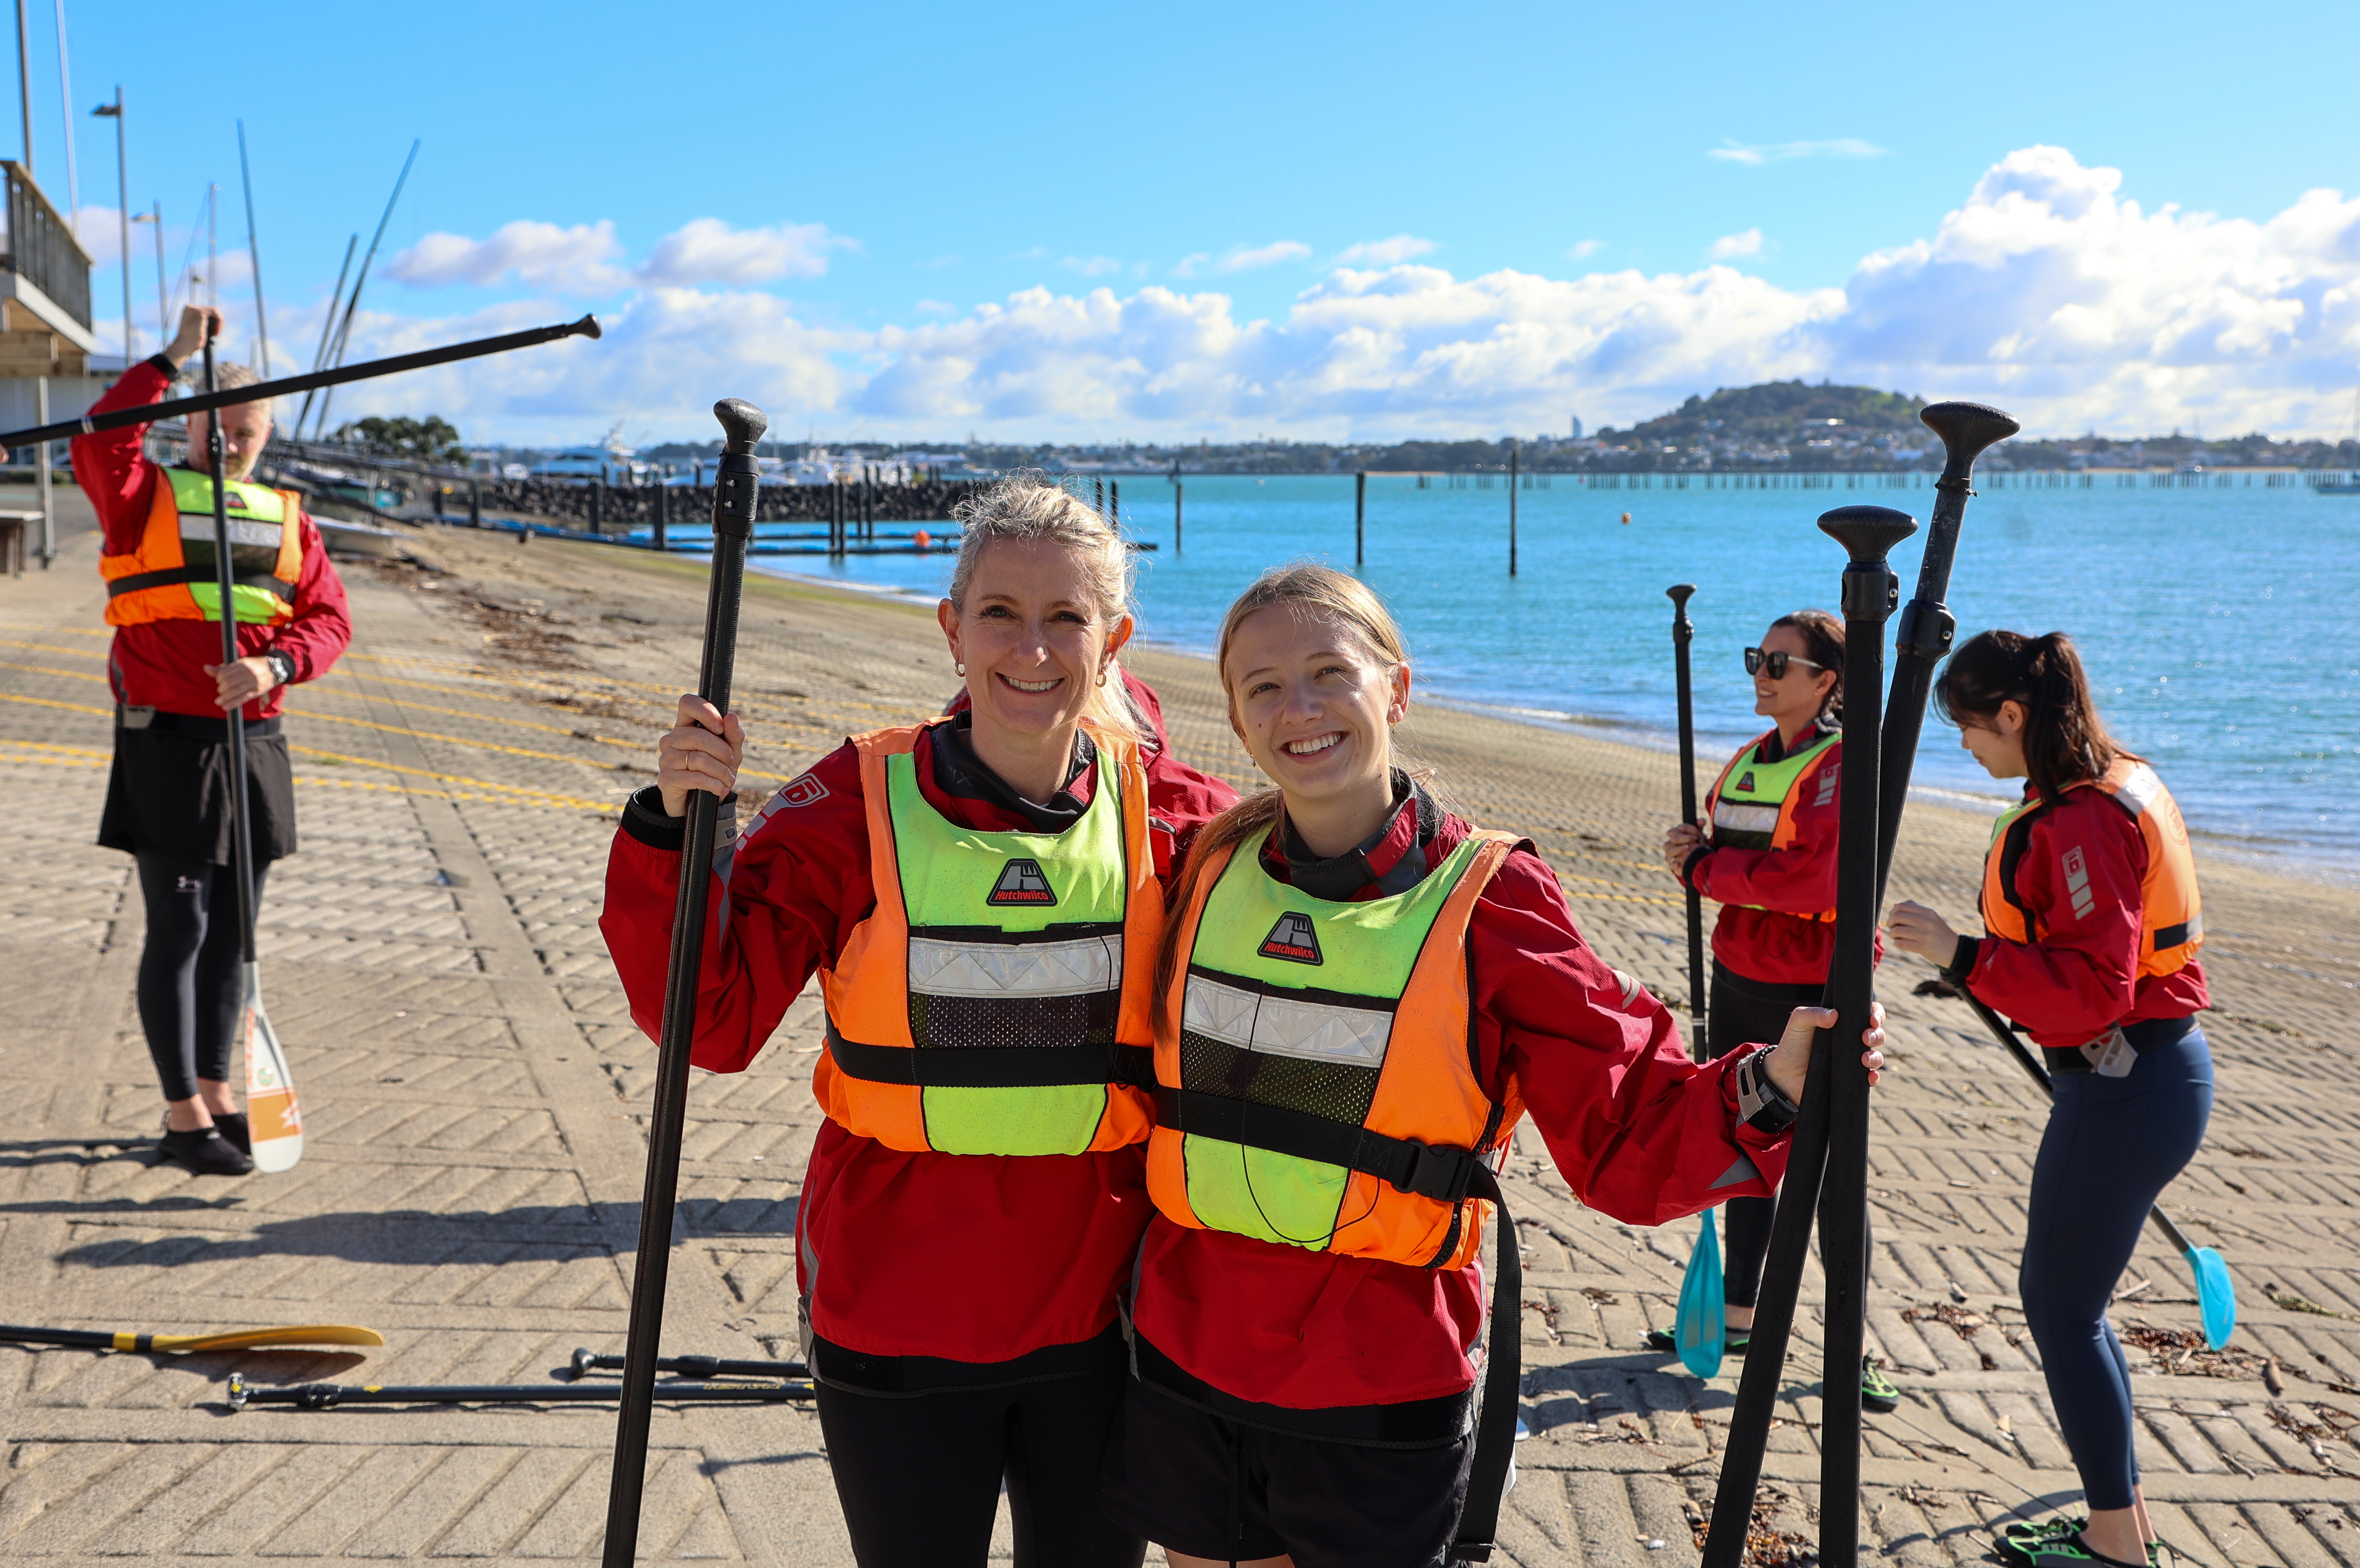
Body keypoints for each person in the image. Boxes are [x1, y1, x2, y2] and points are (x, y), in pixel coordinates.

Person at [1097, 565, 1888, 1568]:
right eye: (1260, 685)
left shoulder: (1491, 896)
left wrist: (1770, 1083)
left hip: (1372, 1373)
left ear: (1396, 688)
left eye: (1326, 672)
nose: (1295, 708)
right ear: (1235, 717)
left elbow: (1624, 1128)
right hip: (1188, 1350)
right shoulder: (1206, 860)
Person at [601, 477, 1234, 1568]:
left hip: (1101, 1312)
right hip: (891, 1305)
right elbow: (709, 1017)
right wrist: (675, 824)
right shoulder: (854, 797)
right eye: (998, 612)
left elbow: (1346, 905)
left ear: (1114, 637)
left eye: (1066, 617)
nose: (1030, 647)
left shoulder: (1177, 814)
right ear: (950, 626)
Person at [1888, 630, 2210, 1568]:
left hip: (2130, 1087)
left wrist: (1962, 954)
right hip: (2143, 1079)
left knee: (2061, 1307)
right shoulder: (2103, 784)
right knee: (2074, 1304)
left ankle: (2114, 1542)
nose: (1967, 747)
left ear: (2016, 716)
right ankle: (2125, 1523)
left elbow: (2096, 988)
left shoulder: (2081, 820)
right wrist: (1976, 974)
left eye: (1971, 728)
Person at [71, 303, 352, 1177]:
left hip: (256, 740)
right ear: (189, 426)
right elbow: (99, 435)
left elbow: (331, 619)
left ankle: (220, 1089)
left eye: (246, 431)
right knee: (183, 925)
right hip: (172, 744)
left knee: (237, 929)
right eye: (216, 429)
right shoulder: (139, 495)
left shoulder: (286, 517)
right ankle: (181, 1115)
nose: (231, 444)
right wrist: (172, 358)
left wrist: (277, 668)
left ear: (266, 432)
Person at [1656, 610, 1896, 1412]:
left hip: (1818, 991)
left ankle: (1848, 1350)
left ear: (1828, 681)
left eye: (1779, 663)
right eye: (1756, 658)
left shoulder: (1840, 766)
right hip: (1739, 980)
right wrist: (1693, 852)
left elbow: (1819, 882)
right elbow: (1724, 855)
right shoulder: (1751, 758)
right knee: (1745, 1143)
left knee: (1828, 1169)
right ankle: (1737, 1314)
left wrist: (1712, 872)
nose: (1761, 673)